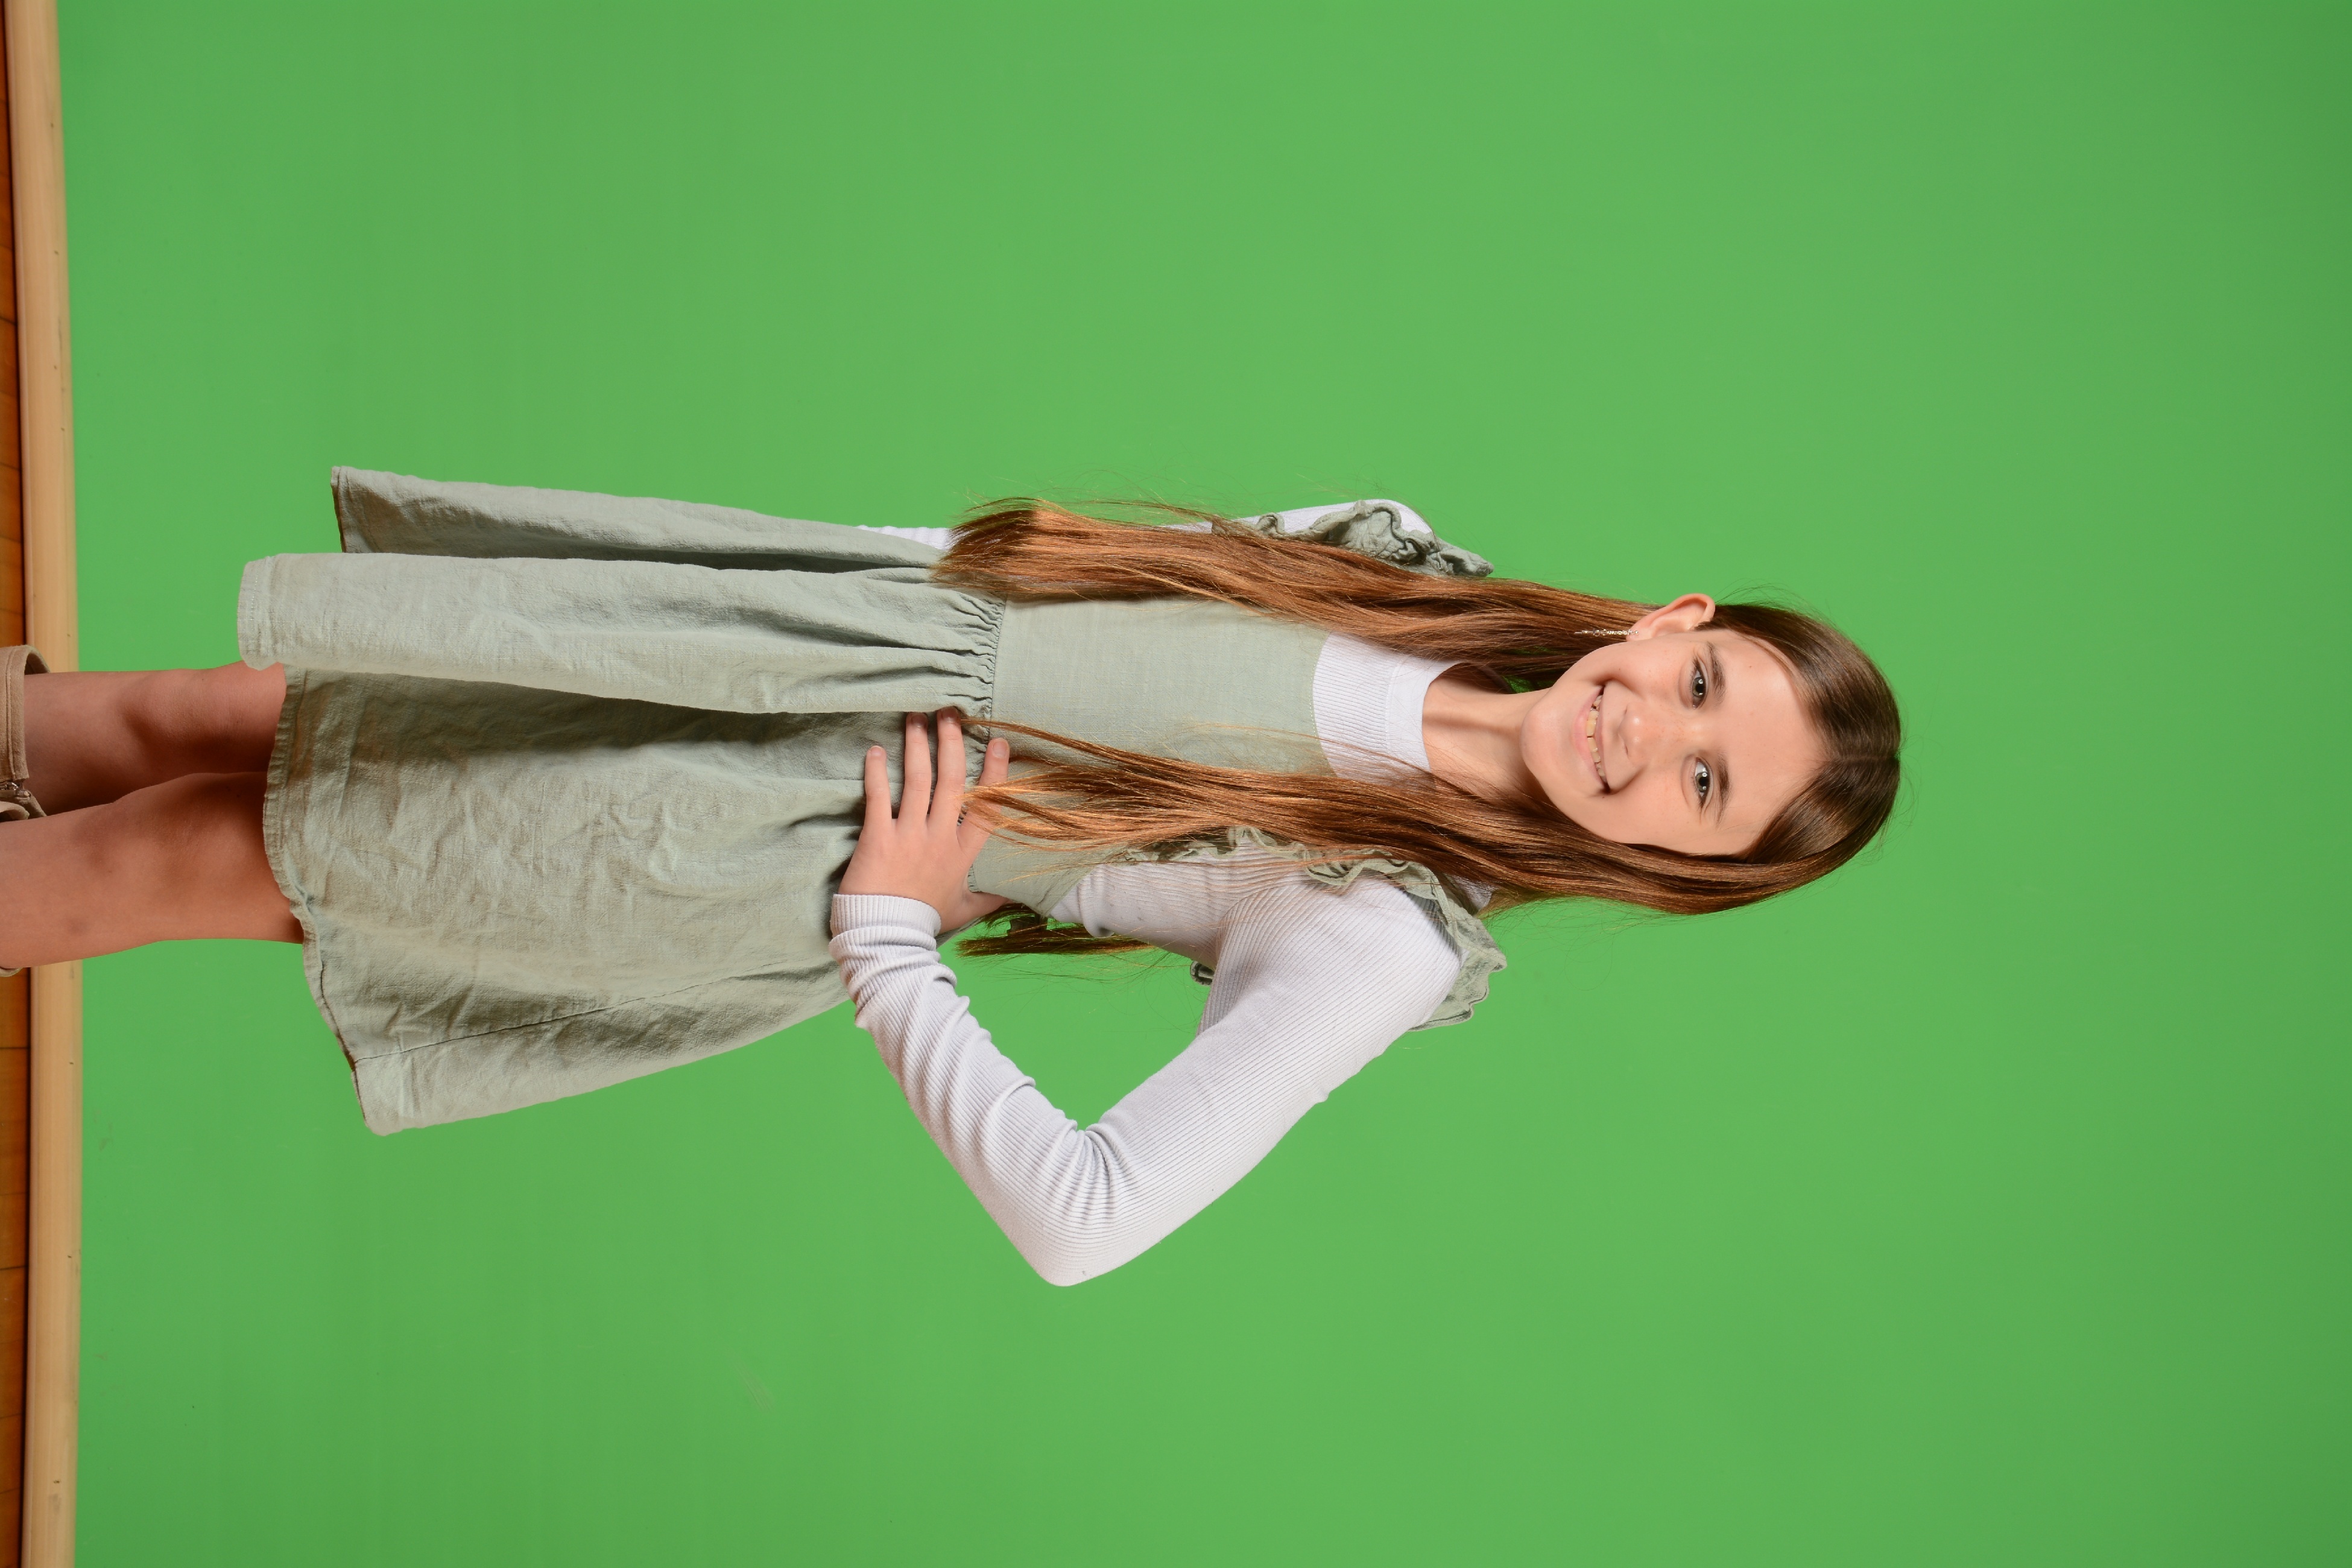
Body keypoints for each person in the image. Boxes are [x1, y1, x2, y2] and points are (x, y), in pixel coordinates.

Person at [0, 470, 1901, 1284]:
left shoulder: (1385, 935)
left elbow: (1086, 1218)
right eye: (1703, 690)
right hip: (742, 659)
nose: (1650, 739)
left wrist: (891, 934)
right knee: (201, 712)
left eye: (1704, 791)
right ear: (1674, 622)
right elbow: (1037, 595)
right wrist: (760, 588)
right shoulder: (1402, 567)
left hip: (750, 841)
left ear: (1671, 868)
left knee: (196, 845)